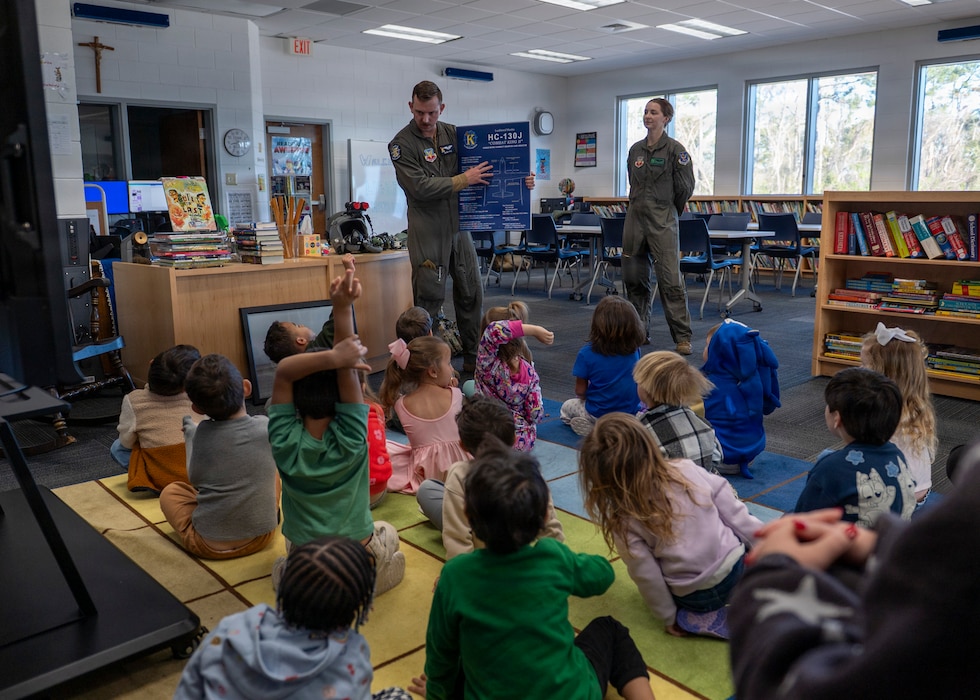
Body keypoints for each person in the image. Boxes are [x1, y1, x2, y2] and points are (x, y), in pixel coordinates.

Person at [729, 441, 980, 698]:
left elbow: (800, 687)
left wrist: (773, 575)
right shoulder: (896, 457)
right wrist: (880, 545)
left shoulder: (830, 465)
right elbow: (960, 564)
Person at [412, 437, 655, 700]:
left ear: (468, 516)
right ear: (544, 517)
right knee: (610, 630)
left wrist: (437, 692)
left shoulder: (455, 574)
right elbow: (603, 576)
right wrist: (570, 561)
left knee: (467, 655)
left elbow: (441, 652)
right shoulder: (552, 558)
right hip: (570, 694)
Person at [268, 265, 405, 595]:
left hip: (307, 559)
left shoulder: (283, 442)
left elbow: (284, 372)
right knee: (387, 532)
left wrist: (333, 355)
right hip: (357, 557)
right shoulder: (353, 437)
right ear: (349, 400)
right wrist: (343, 307)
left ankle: (306, 583)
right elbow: (345, 367)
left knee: (285, 558)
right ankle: (369, 579)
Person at [389, 80, 535, 373]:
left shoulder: (456, 135)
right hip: (428, 228)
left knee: (471, 292)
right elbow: (419, 187)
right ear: (410, 107)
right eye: (419, 112)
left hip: (461, 225)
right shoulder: (401, 144)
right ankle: (424, 366)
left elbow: (487, 168)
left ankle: (473, 359)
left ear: (441, 108)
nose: (426, 119)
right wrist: (462, 180)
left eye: (432, 112)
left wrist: (521, 180)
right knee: (429, 298)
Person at [579, 413, 761, 638]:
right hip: (736, 569)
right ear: (648, 444)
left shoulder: (623, 519)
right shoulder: (686, 468)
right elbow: (736, 515)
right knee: (739, 527)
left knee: (665, 579)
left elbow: (648, 575)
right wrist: (768, 547)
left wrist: (668, 616)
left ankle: (698, 617)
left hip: (695, 595)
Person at [175, 536, 412, 700]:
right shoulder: (352, 656)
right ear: (359, 608)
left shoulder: (233, 629)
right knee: (399, 695)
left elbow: (190, 689)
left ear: (285, 587)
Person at [159, 353, 280, 559]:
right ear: (246, 388)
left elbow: (195, 480)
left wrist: (191, 436)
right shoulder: (266, 426)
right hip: (261, 537)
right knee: (273, 472)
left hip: (207, 545)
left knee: (171, 492)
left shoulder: (202, 434)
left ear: (196, 408)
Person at [415, 394, 564, 556]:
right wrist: (555, 563)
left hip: (481, 550)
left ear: (462, 445)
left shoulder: (460, 473)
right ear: (515, 438)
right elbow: (551, 528)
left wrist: (460, 570)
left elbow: (457, 539)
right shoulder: (529, 468)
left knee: (427, 489)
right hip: (520, 549)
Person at [794, 367, 916, 525]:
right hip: (893, 539)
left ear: (837, 418)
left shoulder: (831, 468)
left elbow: (803, 523)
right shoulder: (897, 455)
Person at [622, 98, 696, 355]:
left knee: (670, 280)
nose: (648, 116)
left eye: (653, 112)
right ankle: (639, 332)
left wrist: (667, 209)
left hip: (663, 219)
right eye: (646, 112)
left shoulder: (676, 151)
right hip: (635, 219)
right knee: (634, 278)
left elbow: (685, 187)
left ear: (666, 118)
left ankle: (682, 337)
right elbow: (632, 182)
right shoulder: (635, 150)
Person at [380, 335, 467, 494]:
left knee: (388, 447)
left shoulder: (401, 404)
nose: (452, 369)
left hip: (426, 474)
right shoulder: (455, 394)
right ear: (433, 371)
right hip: (460, 468)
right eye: (449, 363)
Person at [860, 322, 937, 505]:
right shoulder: (916, 406)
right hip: (920, 493)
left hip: (892, 496)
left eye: (864, 364)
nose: (860, 368)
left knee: (828, 460)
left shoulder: (878, 410)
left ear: (884, 374)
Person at [111, 343, 201, 493]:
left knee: (117, 447)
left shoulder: (133, 400)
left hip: (163, 479)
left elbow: (126, 441)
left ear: (151, 363)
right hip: (202, 475)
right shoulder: (200, 395)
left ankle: (148, 477)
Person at [702, 319, 781, 478]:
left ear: (721, 351)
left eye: (708, 345)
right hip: (751, 454)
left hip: (721, 458)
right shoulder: (756, 378)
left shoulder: (709, 384)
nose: (704, 349)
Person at [560, 295, 645, 437]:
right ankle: (625, 427)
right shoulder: (635, 350)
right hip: (630, 413)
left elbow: (580, 391)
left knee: (566, 408)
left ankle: (597, 427)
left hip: (598, 413)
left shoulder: (586, 353)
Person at [473, 302, 554, 451]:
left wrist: (534, 330)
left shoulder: (487, 365)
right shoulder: (529, 371)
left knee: (468, 391)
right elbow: (535, 414)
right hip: (519, 439)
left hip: (486, 432)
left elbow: (493, 330)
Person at [633, 350, 723, 472]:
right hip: (704, 481)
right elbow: (717, 457)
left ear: (645, 389)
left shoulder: (641, 428)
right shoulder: (700, 422)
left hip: (667, 482)